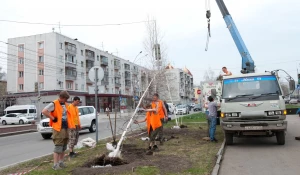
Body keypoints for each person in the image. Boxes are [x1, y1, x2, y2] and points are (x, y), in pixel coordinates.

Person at [42, 91, 70, 170]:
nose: (66, 100)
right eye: (66, 99)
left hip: (65, 127)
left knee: (64, 146)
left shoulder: (65, 104)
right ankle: (55, 164)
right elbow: (44, 111)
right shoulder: (54, 103)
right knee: (58, 146)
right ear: (63, 98)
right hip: (58, 128)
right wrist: (53, 118)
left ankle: (61, 162)